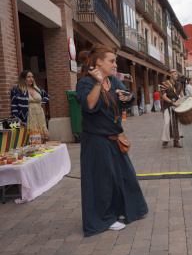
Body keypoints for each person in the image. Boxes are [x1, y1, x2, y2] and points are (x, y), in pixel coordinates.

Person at [76, 44, 148, 237]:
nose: (115, 64)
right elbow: (90, 105)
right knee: (102, 180)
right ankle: (104, 218)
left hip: (115, 138)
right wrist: (98, 83)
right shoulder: (85, 83)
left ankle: (124, 209)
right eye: (112, 61)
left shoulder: (115, 82)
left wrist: (128, 96)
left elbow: (128, 97)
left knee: (124, 176)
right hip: (96, 141)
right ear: (99, 62)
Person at [11, 70, 51, 142]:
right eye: (28, 77)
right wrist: (18, 119)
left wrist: (40, 103)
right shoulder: (16, 90)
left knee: (42, 137)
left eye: (32, 77)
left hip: (39, 116)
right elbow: (14, 106)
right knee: (32, 138)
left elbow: (47, 96)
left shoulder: (37, 88)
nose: (31, 79)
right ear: (23, 78)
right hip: (28, 117)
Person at [160, 69, 184, 148]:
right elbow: (164, 97)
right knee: (167, 122)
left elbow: (182, 95)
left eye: (177, 74)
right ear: (170, 75)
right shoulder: (165, 84)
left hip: (177, 106)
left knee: (176, 123)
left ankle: (176, 140)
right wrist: (173, 103)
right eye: (175, 74)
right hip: (168, 105)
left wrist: (184, 102)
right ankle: (166, 140)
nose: (176, 75)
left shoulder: (179, 84)